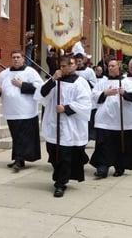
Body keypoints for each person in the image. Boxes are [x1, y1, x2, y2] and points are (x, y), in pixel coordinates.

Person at [35, 55, 92, 197]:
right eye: (61, 65)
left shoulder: (80, 82)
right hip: (53, 125)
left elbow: (85, 104)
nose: (63, 68)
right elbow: (41, 95)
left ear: (74, 66)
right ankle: (59, 177)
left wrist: (66, 108)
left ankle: (60, 183)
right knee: (53, 153)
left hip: (70, 126)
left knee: (65, 156)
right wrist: (53, 79)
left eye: (67, 65)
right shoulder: (54, 80)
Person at [91, 58, 132, 178]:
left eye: (113, 66)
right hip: (105, 119)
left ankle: (120, 167)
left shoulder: (128, 82)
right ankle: (102, 167)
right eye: (109, 66)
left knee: (121, 144)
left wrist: (124, 93)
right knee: (103, 144)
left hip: (122, 120)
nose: (110, 68)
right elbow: (93, 96)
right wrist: (104, 93)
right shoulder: (102, 83)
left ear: (119, 67)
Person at [0, 50, 43, 171]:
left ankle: (19, 160)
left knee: (23, 137)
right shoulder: (4, 73)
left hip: (26, 111)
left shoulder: (30, 72)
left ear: (23, 59)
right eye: (13, 57)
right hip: (11, 111)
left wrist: (23, 85)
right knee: (16, 136)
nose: (15, 59)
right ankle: (17, 157)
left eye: (18, 57)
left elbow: (40, 87)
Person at [73, 53, 97, 140]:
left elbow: (94, 83)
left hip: (87, 97)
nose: (78, 63)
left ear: (83, 60)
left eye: (79, 61)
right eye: (76, 61)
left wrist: (84, 81)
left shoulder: (89, 71)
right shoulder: (73, 71)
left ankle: (87, 136)